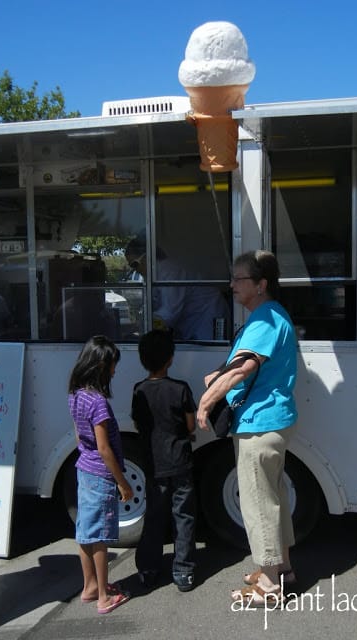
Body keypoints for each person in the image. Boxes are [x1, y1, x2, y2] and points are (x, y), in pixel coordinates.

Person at [197, 250, 298, 608]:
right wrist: (218, 377)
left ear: (260, 284)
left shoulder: (265, 320)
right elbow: (239, 365)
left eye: (239, 279)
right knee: (273, 498)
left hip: (259, 424)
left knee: (257, 504)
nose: (232, 285)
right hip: (272, 421)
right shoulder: (269, 317)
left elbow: (242, 369)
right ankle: (281, 570)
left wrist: (207, 401)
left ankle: (269, 585)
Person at [68, 335, 133, 614]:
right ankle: (104, 597)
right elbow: (105, 448)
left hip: (84, 469)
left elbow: (77, 435)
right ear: (100, 366)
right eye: (112, 366)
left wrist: (86, 452)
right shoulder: (98, 402)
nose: (114, 371)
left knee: (85, 532)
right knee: (101, 538)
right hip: (100, 475)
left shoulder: (76, 395)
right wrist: (123, 483)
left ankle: (90, 587)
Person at [131, 329, 197, 592]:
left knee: (154, 518)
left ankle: (148, 569)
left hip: (153, 464)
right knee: (184, 516)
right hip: (180, 461)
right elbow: (191, 425)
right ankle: (184, 571)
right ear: (171, 358)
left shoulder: (139, 390)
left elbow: (138, 424)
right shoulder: (180, 389)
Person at [125, 238, 229, 340]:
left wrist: (147, 323)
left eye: (135, 264)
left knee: (208, 353)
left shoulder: (169, 271)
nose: (135, 270)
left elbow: (169, 313)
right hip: (191, 321)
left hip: (207, 315)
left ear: (147, 257)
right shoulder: (152, 274)